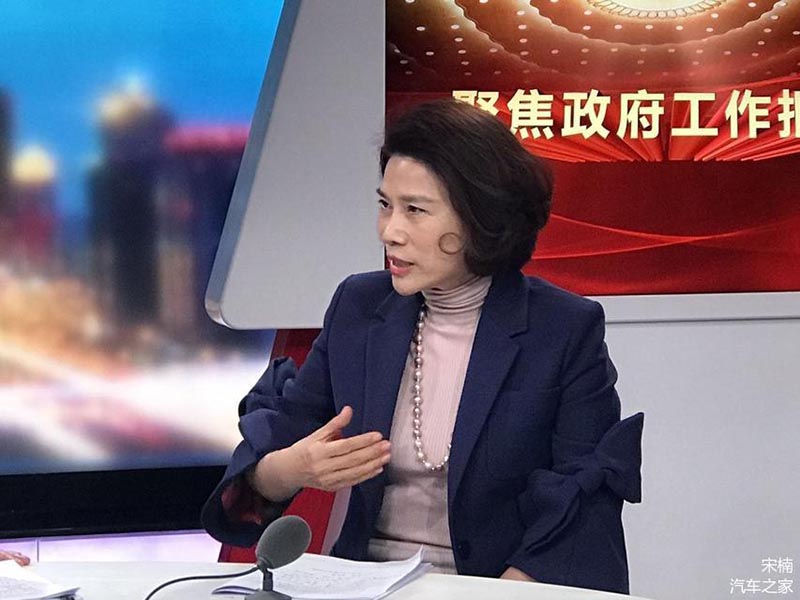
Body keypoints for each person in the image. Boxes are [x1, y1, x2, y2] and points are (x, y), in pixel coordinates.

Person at [202, 99, 643, 594]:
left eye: (415, 210)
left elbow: (584, 499)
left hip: (496, 586)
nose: (390, 232)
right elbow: (264, 470)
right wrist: (292, 469)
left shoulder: (562, 329)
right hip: (367, 583)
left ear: (481, 218)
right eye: (385, 205)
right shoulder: (359, 306)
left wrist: (504, 592)